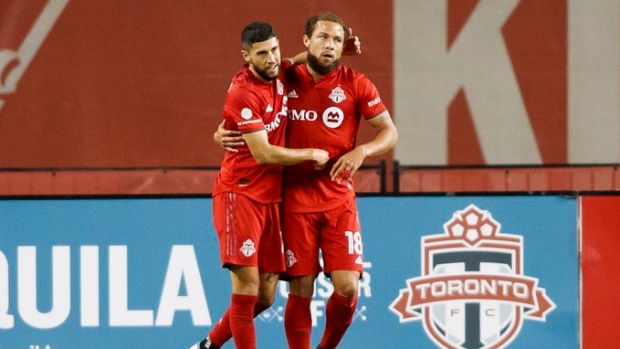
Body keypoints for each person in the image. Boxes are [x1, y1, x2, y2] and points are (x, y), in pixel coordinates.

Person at [216, 12, 398, 349]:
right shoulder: (283, 77)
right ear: (305, 41)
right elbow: (244, 104)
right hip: (292, 203)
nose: (329, 46)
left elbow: (389, 132)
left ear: (345, 46)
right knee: (299, 289)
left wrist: (363, 151)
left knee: (347, 287)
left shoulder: (356, 83)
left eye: (337, 41)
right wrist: (221, 132)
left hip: (338, 199)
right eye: (323, 38)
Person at [189, 21, 330, 349]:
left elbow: (299, 60)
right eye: (262, 53)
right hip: (240, 194)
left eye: (275, 49)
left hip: (270, 199)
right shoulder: (244, 91)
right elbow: (264, 153)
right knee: (246, 292)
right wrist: (309, 153)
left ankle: (208, 345)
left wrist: (331, 50)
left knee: (266, 296)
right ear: (246, 57)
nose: (271, 58)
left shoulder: (277, 70)